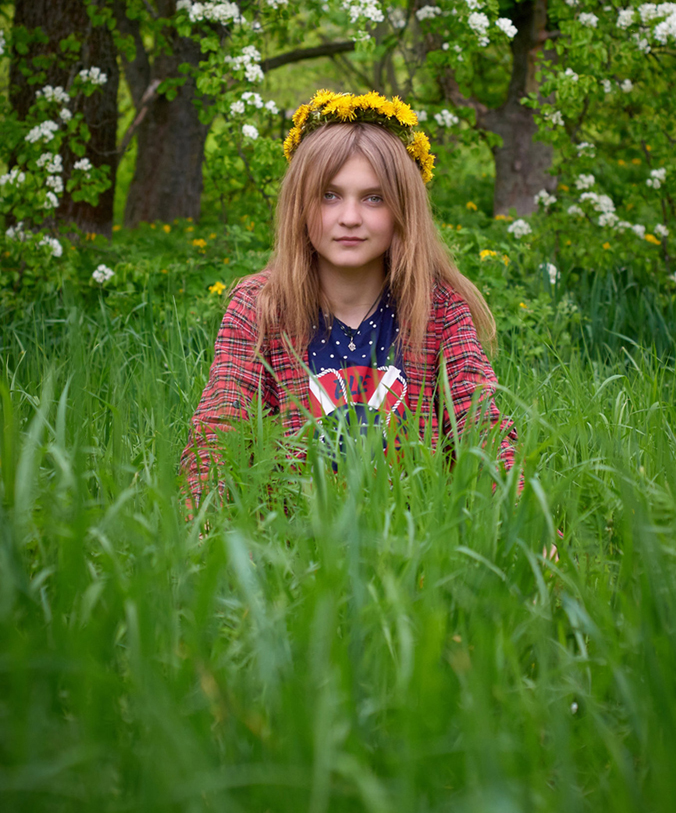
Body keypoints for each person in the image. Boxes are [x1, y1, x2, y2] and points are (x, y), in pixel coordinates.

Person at [181, 89, 520, 510]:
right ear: (299, 204)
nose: (350, 218)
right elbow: (219, 427)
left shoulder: (440, 309)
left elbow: (482, 429)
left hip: (415, 540)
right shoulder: (260, 306)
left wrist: (531, 525)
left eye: (373, 198)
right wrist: (202, 521)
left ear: (403, 209)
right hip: (292, 540)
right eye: (329, 195)